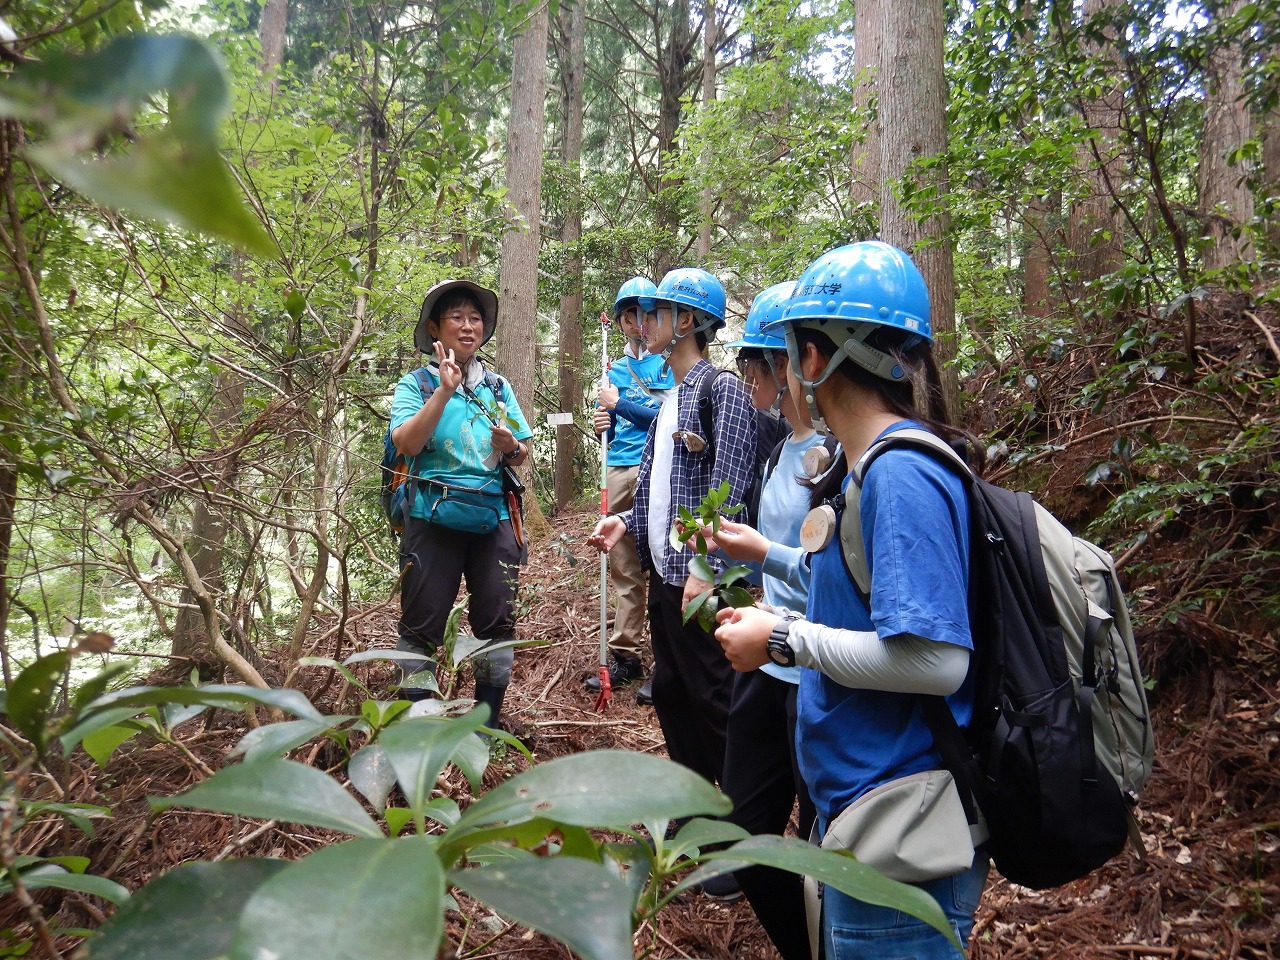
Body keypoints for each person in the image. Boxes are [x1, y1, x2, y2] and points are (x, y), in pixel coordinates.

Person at [713, 241, 989, 959]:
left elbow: (934, 662)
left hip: (900, 831)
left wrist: (784, 640)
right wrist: (781, 603)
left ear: (813, 361)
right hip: (867, 817)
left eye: (786, 352)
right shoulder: (865, 469)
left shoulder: (900, 475)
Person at [587, 266, 757, 798]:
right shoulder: (672, 403)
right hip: (666, 578)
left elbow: (729, 489)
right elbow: (663, 491)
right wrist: (626, 522)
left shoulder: (720, 390)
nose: (644, 321)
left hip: (700, 581)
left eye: (657, 311)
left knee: (714, 696)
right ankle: (695, 804)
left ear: (685, 321)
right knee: (673, 692)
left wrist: (706, 570)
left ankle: (739, 821)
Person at [704, 280, 823, 960]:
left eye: (757, 364)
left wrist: (764, 556)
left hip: (818, 673)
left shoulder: (835, 460)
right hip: (766, 664)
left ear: (791, 366)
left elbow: (842, 585)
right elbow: (777, 562)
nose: (747, 378)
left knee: (820, 844)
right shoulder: (780, 452)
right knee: (743, 832)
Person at [390, 279, 535, 731]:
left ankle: (487, 722)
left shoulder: (496, 386)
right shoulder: (416, 384)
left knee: (497, 620)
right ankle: (418, 722)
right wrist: (444, 392)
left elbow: (520, 455)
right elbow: (407, 443)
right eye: (457, 317)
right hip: (431, 515)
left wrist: (512, 445)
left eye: (475, 319)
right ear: (435, 327)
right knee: (421, 625)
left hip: (491, 515)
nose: (468, 327)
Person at [585, 277, 675, 704]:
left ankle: (670, 660)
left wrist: (619, 405)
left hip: (657, 465)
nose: (636, 323)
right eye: (628, 316)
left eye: (644, 314)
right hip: (620, 465)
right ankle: (626, 653)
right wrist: (603, 421)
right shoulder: (612, 369)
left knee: (662, 558)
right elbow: (611, 424)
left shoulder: (668, 360)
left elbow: (663, 416)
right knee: (622, 564)